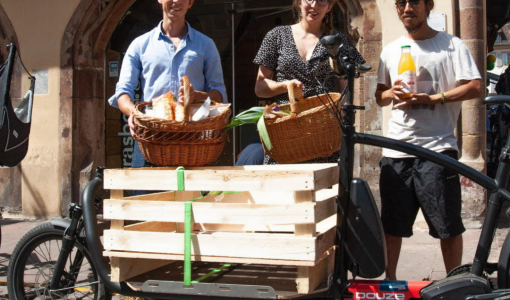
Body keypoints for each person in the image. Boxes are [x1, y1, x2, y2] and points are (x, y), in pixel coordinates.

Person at [375, 0, 482, 280]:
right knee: (392, 225)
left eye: (414, 2)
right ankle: (390, 281)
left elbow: (475, 86)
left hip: (438, 149)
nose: (407, 8)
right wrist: (391, 94)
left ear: (428, 6)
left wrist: (436, 98)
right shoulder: (390, 50)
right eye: (401, 3)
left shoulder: (451, 45)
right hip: (398, 148)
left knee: (447, 224)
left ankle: (453, 282)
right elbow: (380, 96)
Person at [108, 0, 227, 169]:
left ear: (190, 2)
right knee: (145, 194)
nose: (176, 1)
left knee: (192, 195)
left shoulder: (206, 45)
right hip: (149, 135)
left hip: (193, 137)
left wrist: (197, 96)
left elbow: (219, 93)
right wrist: (133, 112)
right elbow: (122, 92)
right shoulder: (139, 45)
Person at [253, 0, 365, 165]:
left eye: (322, 1)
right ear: (298, 2)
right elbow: (260, 87)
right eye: (309, 0)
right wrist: (285, 85)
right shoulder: (276, 36)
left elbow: (347, 90)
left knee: (325, 189)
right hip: (286, 131)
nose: (314, 5)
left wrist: (339, 119)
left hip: (323, 133)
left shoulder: (337, 40)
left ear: (329, 7)